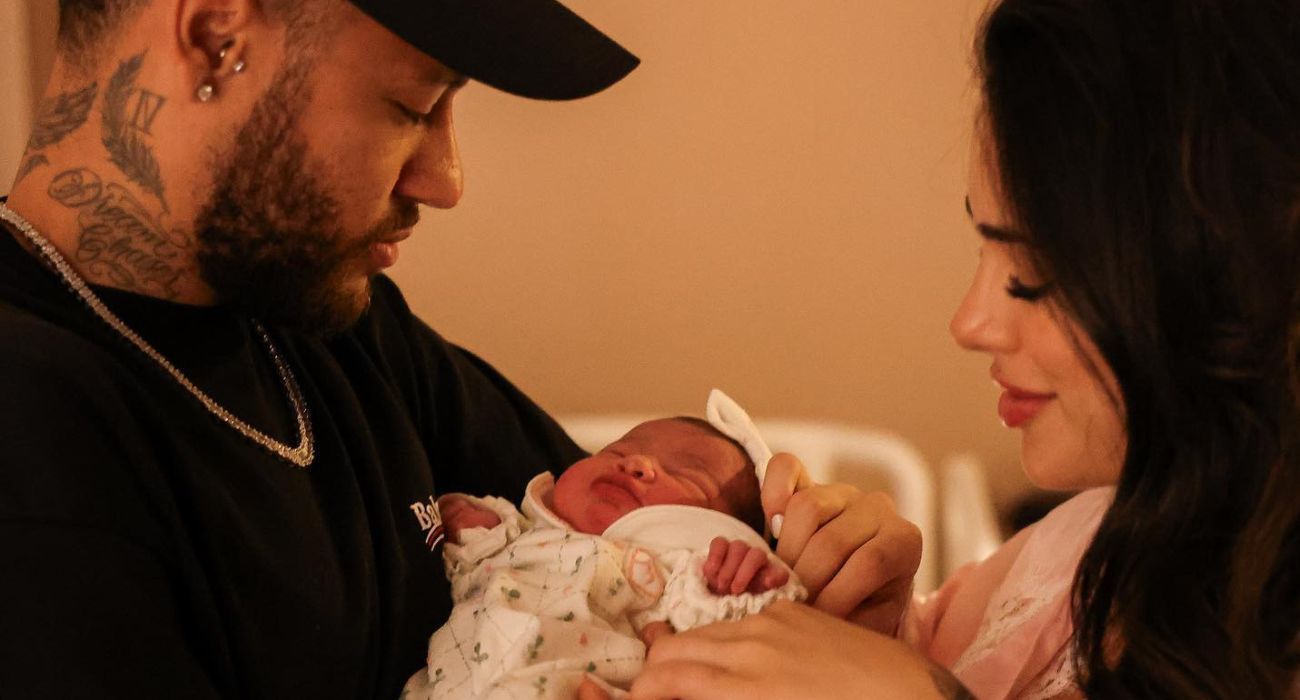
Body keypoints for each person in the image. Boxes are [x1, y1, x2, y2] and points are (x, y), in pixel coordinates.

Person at [0, 0, 925, 696]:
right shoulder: (35, 429)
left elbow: (623, 560)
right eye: (412, 105)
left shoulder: (339, 327)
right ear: (214, 37)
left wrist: (830, 599)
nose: (444, 180)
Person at [625, 0, 1300, 698]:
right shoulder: (1091, 546)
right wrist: (873, 626)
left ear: (1226, 270)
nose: (970, 323)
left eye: (1034, 268)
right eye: (985, 249)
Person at [403, 416, 803, 698]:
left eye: (688, 476)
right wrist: (469, 525)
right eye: (617, 451)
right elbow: (461, 568)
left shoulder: (679, 578)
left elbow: (752, 642)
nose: (637, 463)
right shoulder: (515, 534)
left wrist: (737, 583)